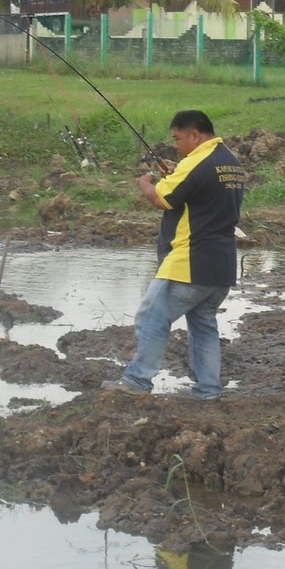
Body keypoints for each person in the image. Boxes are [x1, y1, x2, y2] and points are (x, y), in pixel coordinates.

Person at [104, 110, 245, 399]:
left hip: (190, 261)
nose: (176, 146)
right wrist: (176, 175)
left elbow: (161, 198)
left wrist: (146, 184)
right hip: (222, 264)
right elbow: (199, 192)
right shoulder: (230, 161)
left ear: (195, 135)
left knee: (151, 317)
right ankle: (208, 390)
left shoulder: (196, 163)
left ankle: (137, 382)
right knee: (203, 325)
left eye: (178, 139)